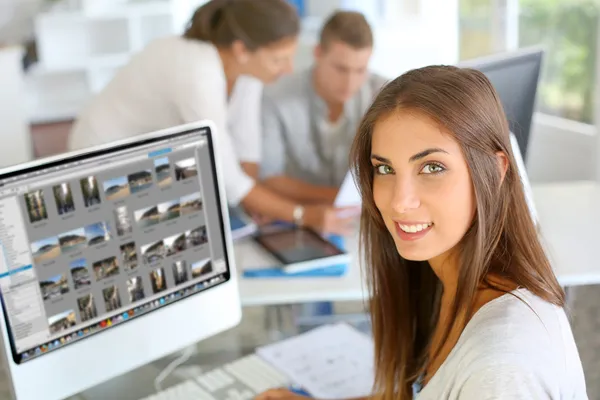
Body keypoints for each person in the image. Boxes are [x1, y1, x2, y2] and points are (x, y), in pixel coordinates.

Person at [256, 66, 588, 399]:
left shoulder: (502, 372)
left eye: (432, 167)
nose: (399, 202)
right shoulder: (443, 277)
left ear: (495, 169)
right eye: (385, 169)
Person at [68, 0, 357, 234]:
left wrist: (254, 203)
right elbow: (228, 177)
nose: (288, 69)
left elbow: (247, 150)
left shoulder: (247, 69)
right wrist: (304, 215)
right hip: (102, 168)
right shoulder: (197, 71)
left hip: (152, 166)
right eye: (279, 59)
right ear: (242, 49)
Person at [259, 11, 388, 204]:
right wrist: (338, 200)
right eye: (341, 69)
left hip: (367, 215)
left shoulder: (385, 96)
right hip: (299, 213)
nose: (350, 82)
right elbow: (269, 178)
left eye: (360, 70)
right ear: (318, 53)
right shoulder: (276, 97)